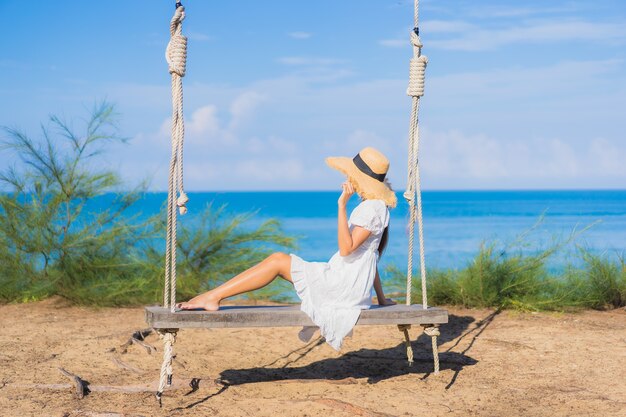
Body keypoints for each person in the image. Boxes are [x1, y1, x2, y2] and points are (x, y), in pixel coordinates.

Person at [176, 146, 397, 350]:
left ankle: (213, 296)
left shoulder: (370, 209)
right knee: (277, 260)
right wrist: (381, 298)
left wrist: (341, 206)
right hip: (348, 285)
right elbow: (370, 258)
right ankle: (213, 296)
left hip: (342, 286)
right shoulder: (376, 208)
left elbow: (346, 249)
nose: (347, 178)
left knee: (278, 261)